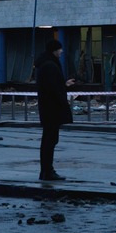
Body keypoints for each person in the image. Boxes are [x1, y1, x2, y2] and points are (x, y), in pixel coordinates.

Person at [35, 39, 75, 181]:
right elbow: (53, 89)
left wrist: (63, 84)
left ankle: (46, 171)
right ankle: (47, 171)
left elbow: (52, 86)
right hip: (51, 110)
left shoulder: (45, 64)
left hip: (48, 109)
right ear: (54, 50)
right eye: (60, 49)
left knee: (49, 140)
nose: (62, 51)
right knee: (50, 141)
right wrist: (62, 101)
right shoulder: (50, 66)